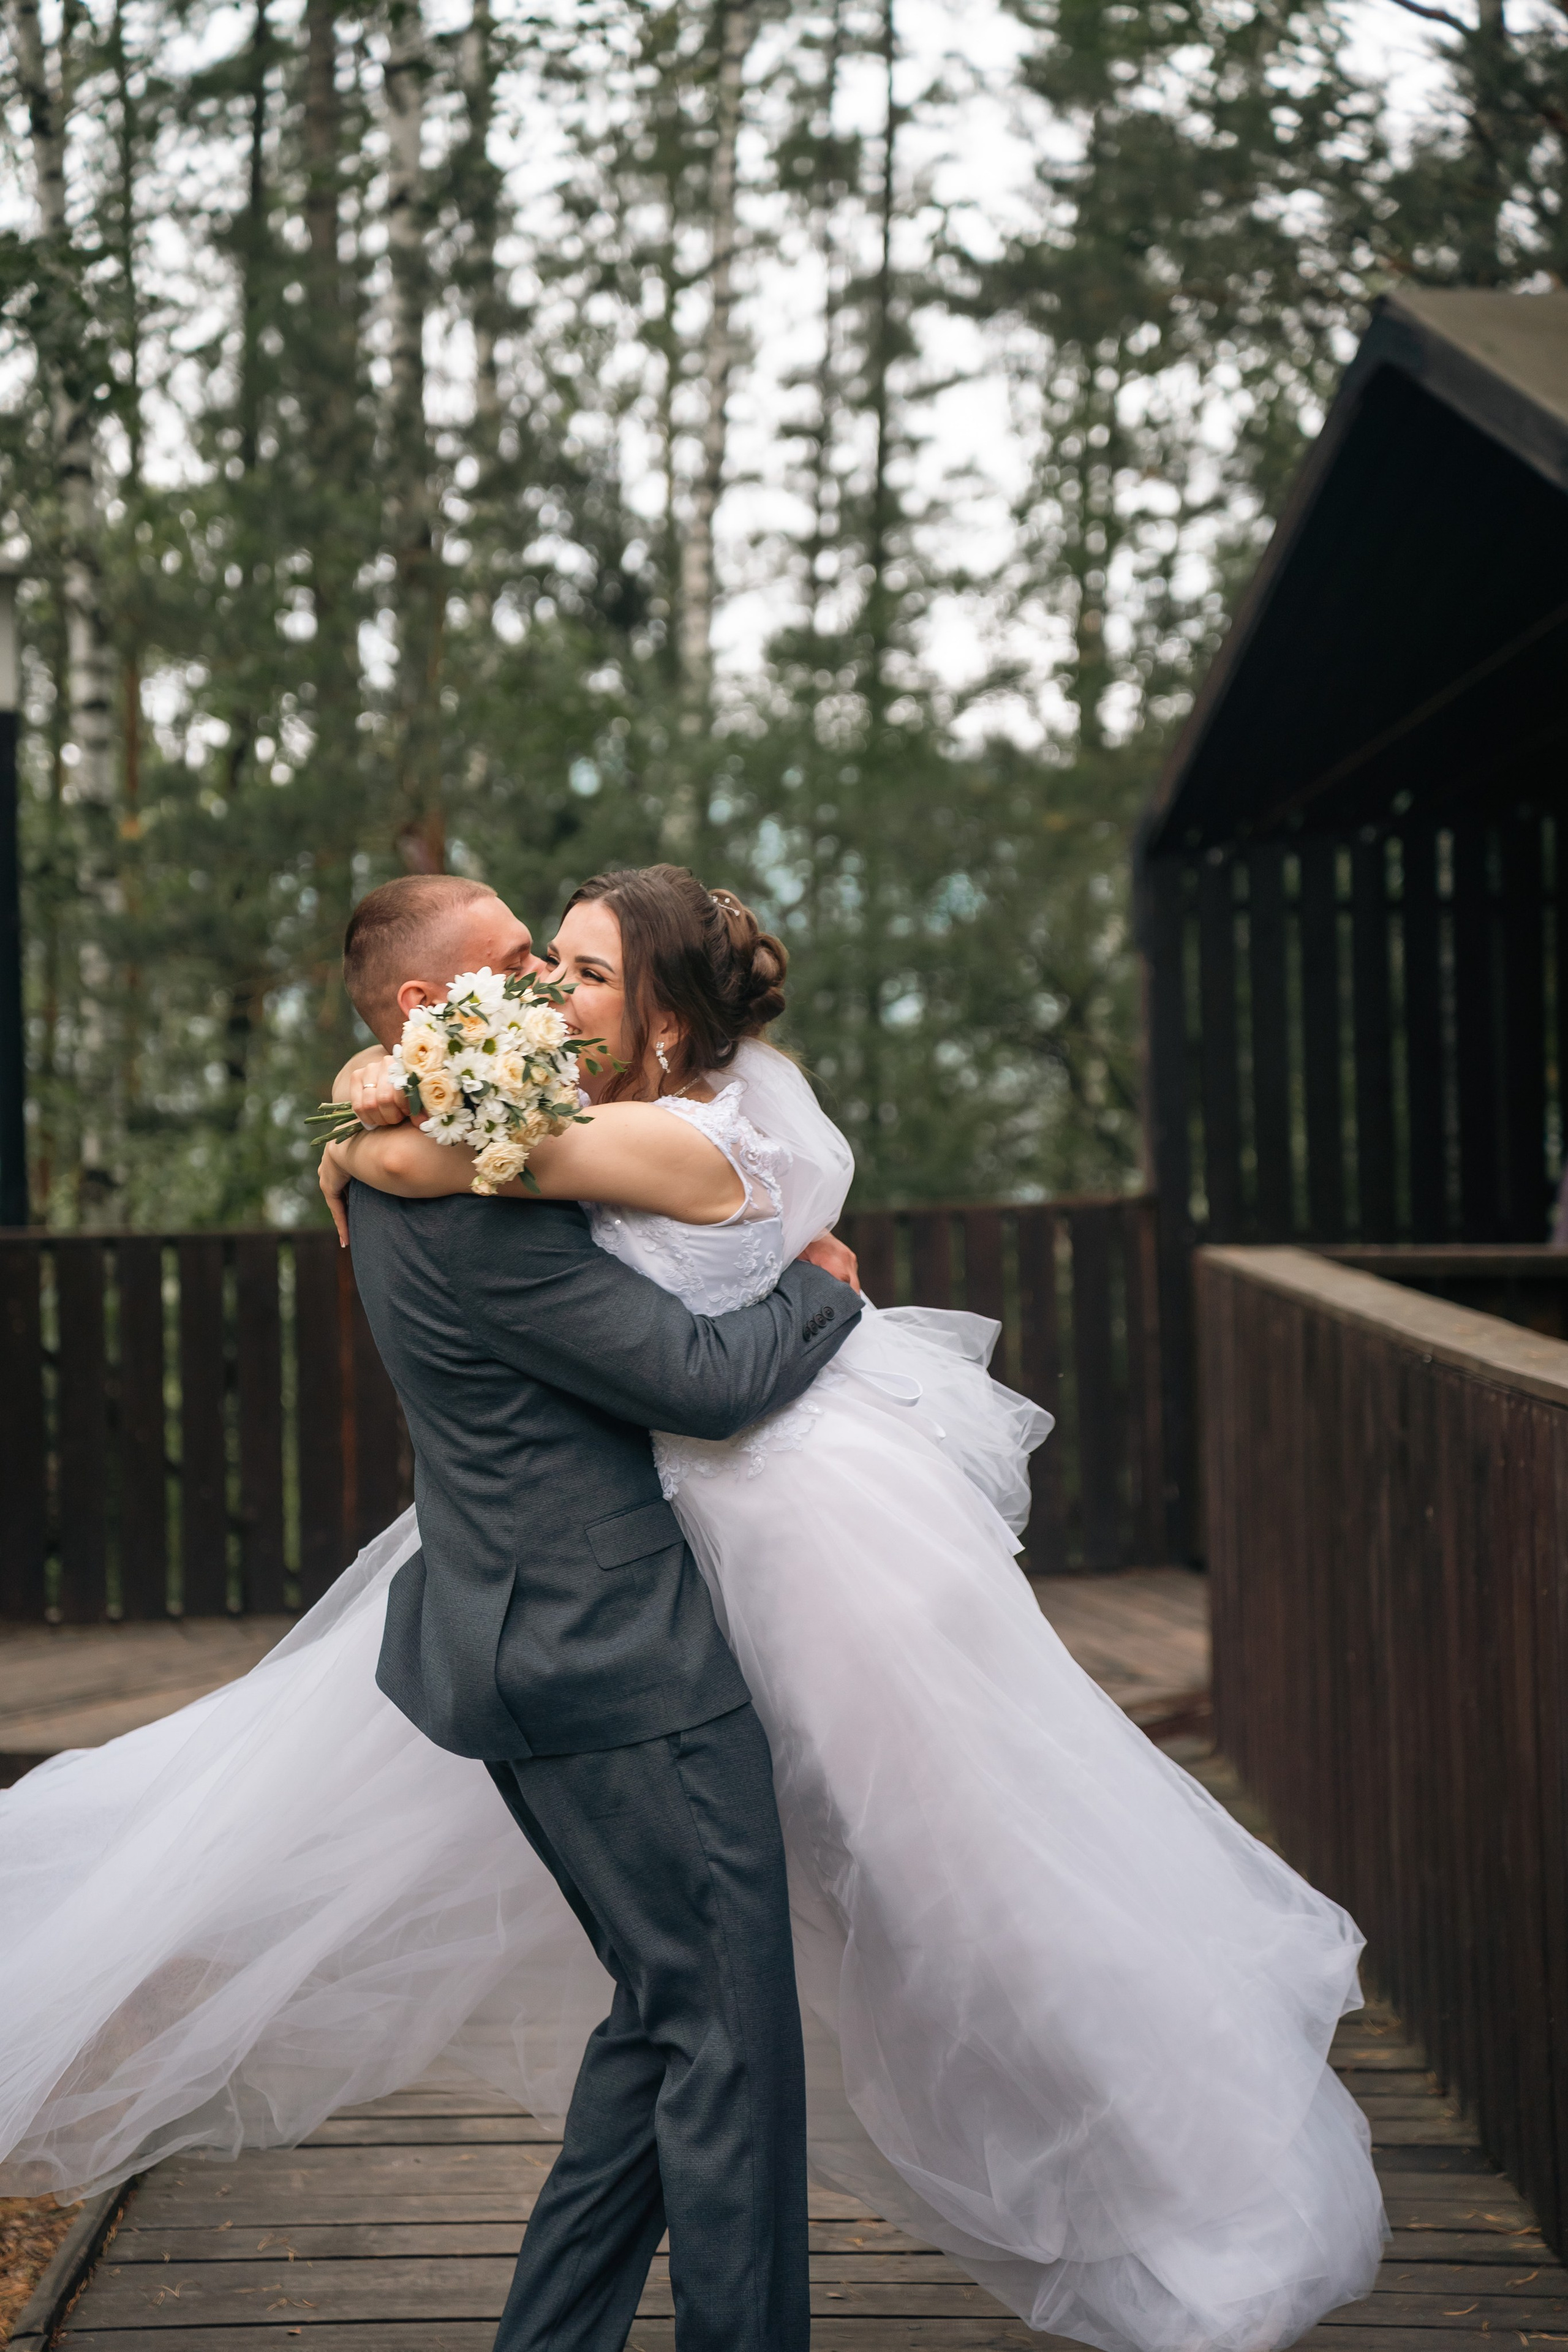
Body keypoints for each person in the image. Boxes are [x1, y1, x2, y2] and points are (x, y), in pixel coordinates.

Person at [0, 863, 1388, 2352]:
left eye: (571, 965)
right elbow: (701, 1386)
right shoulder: (472, 1182)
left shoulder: (487, 1142)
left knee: (670, 2016)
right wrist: (825, 1288)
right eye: (527, 961)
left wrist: (360, 1118)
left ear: (659, 1013)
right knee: (727, 2037)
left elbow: (485, 1162)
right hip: (615, 1660)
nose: (540, 985)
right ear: (427, 1007)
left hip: (556, 1632)